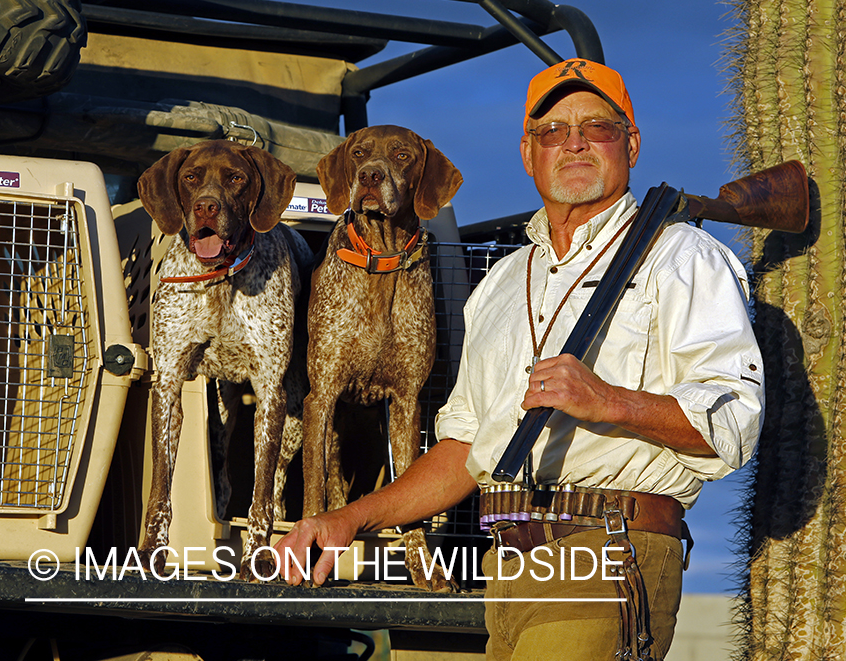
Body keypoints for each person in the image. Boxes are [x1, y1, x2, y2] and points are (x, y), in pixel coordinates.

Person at [276, 58, 765, 660]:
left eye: (598, 128)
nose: (575, 143)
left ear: (631, 145)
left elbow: (733, 421)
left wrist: (607, 402)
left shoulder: (682, 257)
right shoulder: (504, 284)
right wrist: (350, 519)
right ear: (528, 153)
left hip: (607, 552)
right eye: (553, 131)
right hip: (503, 566)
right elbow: (464, 452)